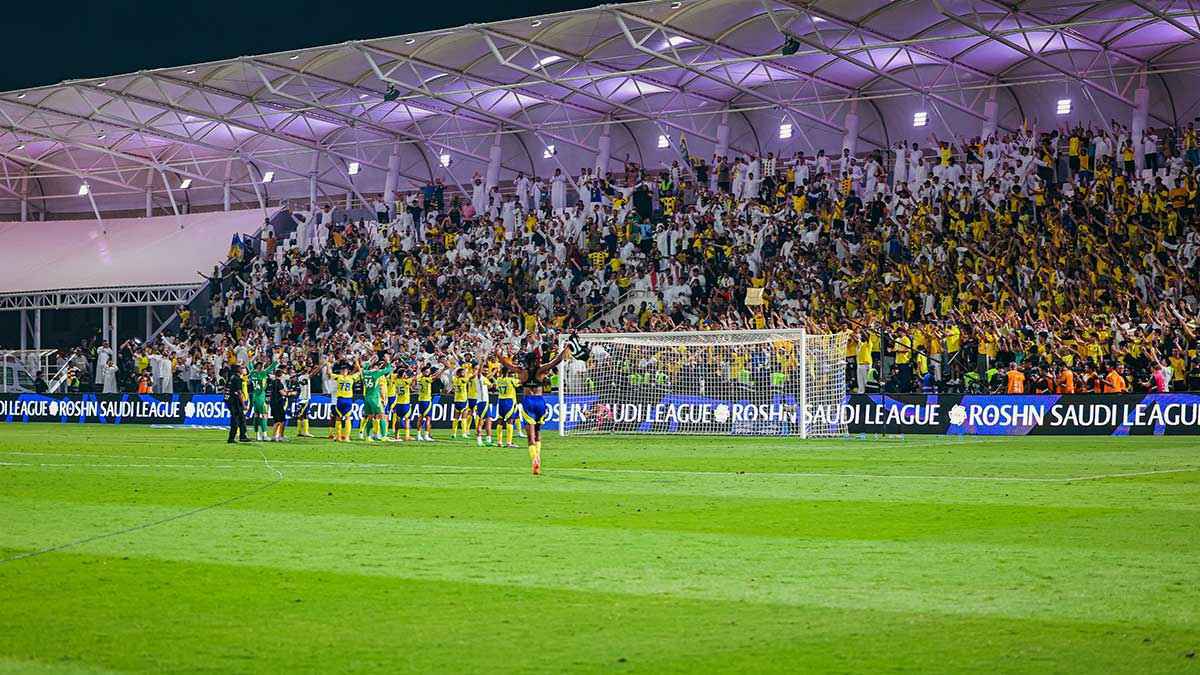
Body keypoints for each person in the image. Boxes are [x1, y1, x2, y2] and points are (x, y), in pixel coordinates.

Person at [497, 333, 571, 475]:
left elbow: (506, 364)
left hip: (528, 402)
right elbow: (556, 361)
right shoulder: (541, 370)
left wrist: (498, 354)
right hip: (540, 402)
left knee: (530, 437)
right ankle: (539, 457)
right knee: (538, 433)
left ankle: (535, 459)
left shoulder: (522, 372)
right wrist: (565, 349)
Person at [225, 365, 249, 443]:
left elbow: (226, 389)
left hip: (231, 401)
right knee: (237, 420)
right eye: (241, 368)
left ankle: (241, 436)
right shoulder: (237, 379)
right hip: (235, 402)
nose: (242, 370)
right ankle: (233, 438)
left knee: (239, 419)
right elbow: (239, 392)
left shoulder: (231, 378)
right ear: (238, 370)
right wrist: (243, 404)